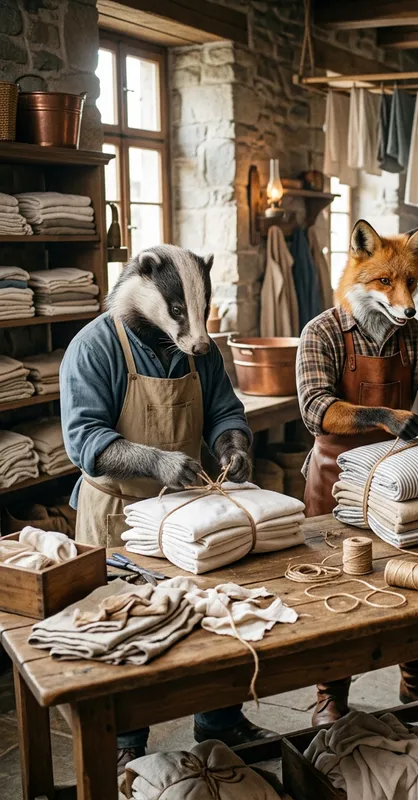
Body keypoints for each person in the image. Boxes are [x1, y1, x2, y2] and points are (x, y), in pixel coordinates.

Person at [60, 245, 270, 772]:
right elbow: (84, 440)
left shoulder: (201, 348)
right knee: (125, 626)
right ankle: (126, 733)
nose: (196, 333)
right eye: (181, 316)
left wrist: (232, 445)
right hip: (115, 515)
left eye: (199, 316)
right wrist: (153, 461)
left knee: (212, 615)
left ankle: (220, 719)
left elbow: (225, 409)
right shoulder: (95, 346)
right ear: (143, 283)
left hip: (186, 510)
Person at [297, 219, 418, 725]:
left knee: (410, 581)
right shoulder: (322, 331)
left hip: (400, 482)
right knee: (335, 589)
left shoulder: (411, 334)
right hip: (335, 480)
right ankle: (331, 691)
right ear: (359, 266)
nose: (404, 297)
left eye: (409, 283)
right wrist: (381, 416)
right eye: (386, 282)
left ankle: (416, 676)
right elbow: (315, 410)